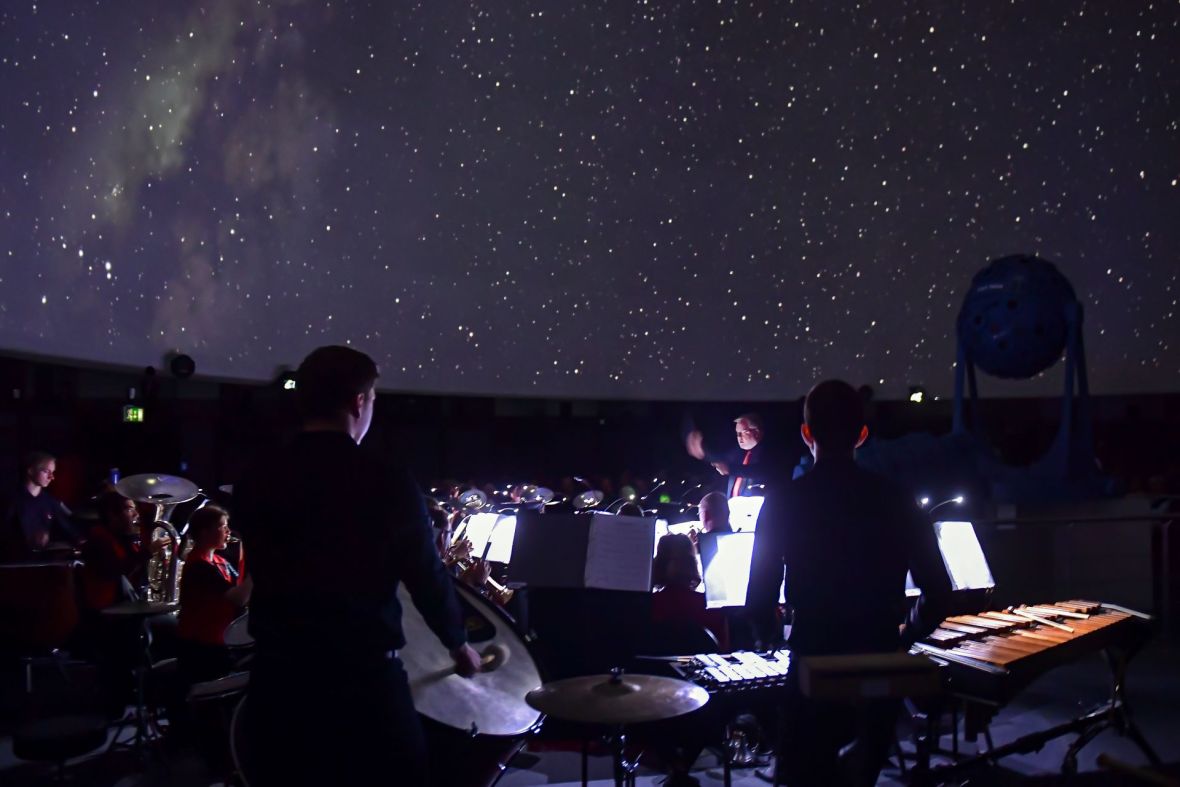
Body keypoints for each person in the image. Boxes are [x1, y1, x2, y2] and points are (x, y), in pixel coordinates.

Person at [233, 345, 480, 786]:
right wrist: (458, 643)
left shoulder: (257, 477)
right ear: (358, 402)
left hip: (277, 682)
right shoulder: (387, 480)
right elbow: (425, 574)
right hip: (363, 686)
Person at [746, 380, 952, 786]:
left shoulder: (784, 500)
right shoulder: (898, 498)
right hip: (879, 667)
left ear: (807, 433)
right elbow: (938, 594)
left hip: (813, 664)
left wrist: (769, 634)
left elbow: (759, 598)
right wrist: (907, 633)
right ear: (862, 434)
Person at [176, 505, 252, 687]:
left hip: (217, 640)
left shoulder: (220, 561)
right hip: (202, 646)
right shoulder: (199, 566)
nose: (228, 531)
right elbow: (238, 598)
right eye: (222, 526)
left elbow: (241, 589)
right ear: (204, 532)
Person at [651, 533, 728, 650]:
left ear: (659, 563)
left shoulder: (649, 605)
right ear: (693, 563)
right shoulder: (711, 606)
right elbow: (723, 650)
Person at [1, 451, 80, 558]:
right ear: (30, 471)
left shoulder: (51, 502)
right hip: (14, 560)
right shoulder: (11, 500)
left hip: (43, 560)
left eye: (52, 472)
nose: (51, 477)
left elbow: (70, 528)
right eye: (46, 471)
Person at [686, 413, 774, 497]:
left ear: (757, 432)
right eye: (737, 433)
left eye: (743, 432)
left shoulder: (768, 452)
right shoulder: (738, 454)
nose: (739, 437)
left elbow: (761, 471)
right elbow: (719, 457)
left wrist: (730, 469)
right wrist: (702, 449)